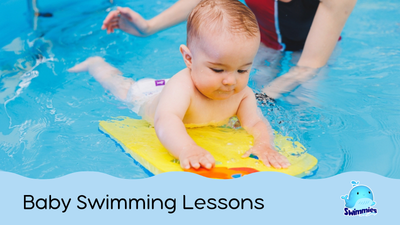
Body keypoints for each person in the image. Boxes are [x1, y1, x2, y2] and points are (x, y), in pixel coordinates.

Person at [69, 0, 290, 170]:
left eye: (242, 70)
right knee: (121, 88)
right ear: (189, 58)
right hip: (147, 95)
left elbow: (255, 123)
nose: (231, 80)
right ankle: (96, 64)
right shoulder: (182, 87)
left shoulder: (241, 94)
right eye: (217, 69)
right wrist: (187, 148)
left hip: (183, 91)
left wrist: (264, 144)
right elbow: (165, 120)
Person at [101, 0, 357, 99]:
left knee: (305, 103)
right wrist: (149, 27)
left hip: (313, 53)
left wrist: (263, 98)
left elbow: (308, 66)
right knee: (232, 89)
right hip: (264, 44)